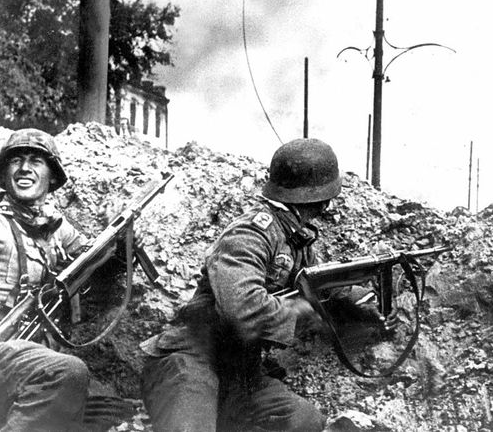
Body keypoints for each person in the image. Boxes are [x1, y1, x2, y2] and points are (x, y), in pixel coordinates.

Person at [141, 138, 390, 432]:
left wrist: (366, 300)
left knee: (303, 421)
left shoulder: (295, 238)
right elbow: (243, 309)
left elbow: (323, 284)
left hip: (239, 374)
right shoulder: (250, 234)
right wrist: (304, 310)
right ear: (318, 198)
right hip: (190, 362)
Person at [0, 128, 92, 432]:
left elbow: (88, 254)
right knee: (66, 372)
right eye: (16, 160)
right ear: (4, 174)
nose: (25, 168)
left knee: (98, 406)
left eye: (36, 161)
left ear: (52, 178)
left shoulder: (55, 228)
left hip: (22, 355)